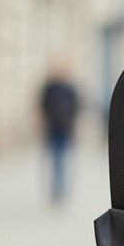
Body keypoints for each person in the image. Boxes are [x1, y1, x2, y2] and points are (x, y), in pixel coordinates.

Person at [39, 64, 80, 203]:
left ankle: (61, 189)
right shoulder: (50, 88)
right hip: (52, 128)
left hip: (65, 129)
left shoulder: (69, 89)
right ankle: (56, 189)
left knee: (62, 159)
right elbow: (43, 105)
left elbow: (76, 106)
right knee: (55, 159)